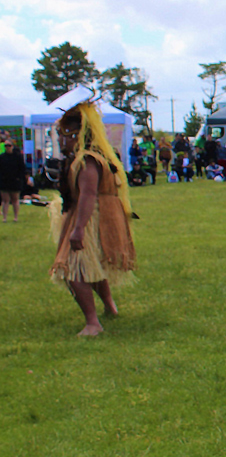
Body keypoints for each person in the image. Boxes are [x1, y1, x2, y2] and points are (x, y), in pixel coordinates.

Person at [49, 98, 137, 336]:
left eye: (63, 136)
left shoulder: (87, 160)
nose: (60, 141)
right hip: (102, 216)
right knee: (91, 265)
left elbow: (88, 195)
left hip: (91, 218)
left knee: (72, 270)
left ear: (75, 135)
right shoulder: (96, 157)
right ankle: (110, 307)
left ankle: (92, 323)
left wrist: (78, 229)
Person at [0, 138, 26, 223]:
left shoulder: (18, 157)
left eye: (9, 145)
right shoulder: (2, 157)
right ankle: (5, 217)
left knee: (15, 199)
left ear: (12, 146)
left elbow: (22, 169)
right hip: (4, 181)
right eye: (6, 146)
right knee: (5, 200)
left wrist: (20, 178)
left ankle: (15, 217)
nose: (7, 147)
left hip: (15, 180)